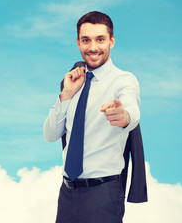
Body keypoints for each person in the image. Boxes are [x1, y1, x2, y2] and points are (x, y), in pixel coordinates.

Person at [44, 11, 142, 223]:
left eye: (100, 39)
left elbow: (132, 112)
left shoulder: (123, 80)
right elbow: (50, 134)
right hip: (67, 193)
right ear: (78, 42)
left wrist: (123, 116)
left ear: (111, 41)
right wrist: (66, 95)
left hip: (103, 194)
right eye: (86, 40)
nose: (93, 47)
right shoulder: (72, 82)